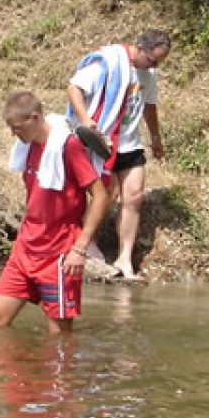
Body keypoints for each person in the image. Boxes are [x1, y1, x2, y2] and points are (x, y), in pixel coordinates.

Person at [0, 90, 111, 334]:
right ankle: (18, 371)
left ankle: (57, 373)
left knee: (59, 336)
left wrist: (80, 248)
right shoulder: (28, 146)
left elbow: (101, 196)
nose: (14, 134)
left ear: (34, 118)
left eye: (17, 128)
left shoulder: (68, 147)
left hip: (60, 253)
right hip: (26, 248)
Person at [65, 30, 170, 279]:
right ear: (139, 48)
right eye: (152, 60)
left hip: (130, 144)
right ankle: (86, 242)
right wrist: (85, 120)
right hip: (102, 140)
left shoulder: (148, 73)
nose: (154, 66)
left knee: (133, 197)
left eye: (158, 62)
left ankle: (125, 259)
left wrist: (155, 137)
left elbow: (149, 105)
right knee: (108, 194)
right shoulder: (109, 61)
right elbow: (73, 88)